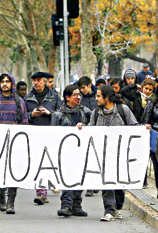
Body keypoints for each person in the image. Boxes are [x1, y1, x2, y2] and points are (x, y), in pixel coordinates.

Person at [77, 85, 140, 222]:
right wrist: (83, 127)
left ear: (107, 98)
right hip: (103, 155)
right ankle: (109, 210)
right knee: (107, 183)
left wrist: (144, 129)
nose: (96, 98)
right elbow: (91, 130)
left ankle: (117, 207)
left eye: (98, 96)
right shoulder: (96, 112)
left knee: (119, 184)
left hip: (120, 155)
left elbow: (134, 127)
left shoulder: (123, 110)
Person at [0, 73, 29, 214]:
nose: (4, 84)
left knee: (13, 173)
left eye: (7, 81)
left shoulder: (19, 101)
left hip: (15, 142)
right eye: (2, 81)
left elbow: (24, 121)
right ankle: (1, 198)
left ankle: (11, 202)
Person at [51, 85, 90, 218]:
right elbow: (53, 134)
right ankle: (66, 205)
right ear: (67, 97)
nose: (78, 97)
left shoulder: (86, 112)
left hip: (81, 150)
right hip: (65, 152)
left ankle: (76, 205)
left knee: (80, 178)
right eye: (75, 95)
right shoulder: (58, 115)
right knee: (67, 178)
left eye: (79, 94)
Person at [25, 71, 58, 205]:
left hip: (50, 134)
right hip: (34, 135)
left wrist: (50, 113)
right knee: (38, 164)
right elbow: (22, 116)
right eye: (34, 80)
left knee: (50, 162)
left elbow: (62, 113)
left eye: (39, 80)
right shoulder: (28, 98)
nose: (36, 83)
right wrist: (31, 114)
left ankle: (53, 183)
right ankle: (41, 192)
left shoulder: (54, 97)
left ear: (45, 81)